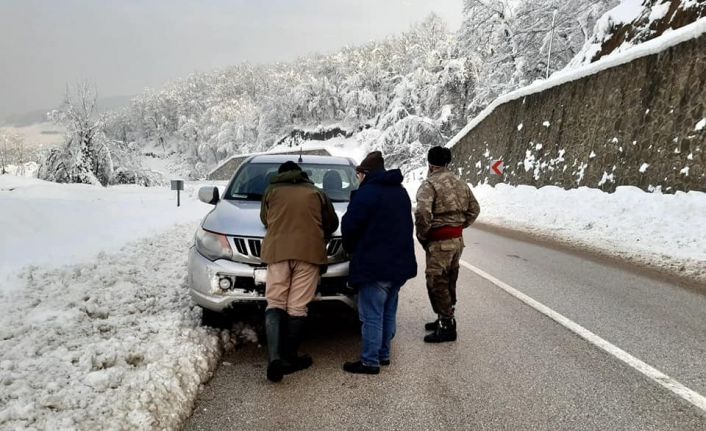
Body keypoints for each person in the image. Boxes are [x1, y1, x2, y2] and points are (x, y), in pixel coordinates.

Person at [260, 160, 339, 382]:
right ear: (301, 174)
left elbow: (265, 220)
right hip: (309, 253)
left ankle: (274, 358)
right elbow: (331, 224)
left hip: (277, 253)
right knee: (297, 306)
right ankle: (290, 358)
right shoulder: (316, 193)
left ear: (280, 174)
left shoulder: (271, 191)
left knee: (275, 301)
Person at [341, 151, 417, 374]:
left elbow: (350, 227)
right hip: (399, 265)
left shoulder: (366, 194)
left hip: (375, 265)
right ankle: (383, 354)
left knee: (371, 314)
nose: (358, 178)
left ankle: (369, 361)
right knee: (388, 312)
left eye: (359, 174)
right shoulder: (401, 192)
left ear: (365, 173)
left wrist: (351, 248)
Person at [415, 146, 480, 343]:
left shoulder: (429, 184)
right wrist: (458, 226)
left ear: (430, 164)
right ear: (447, 163)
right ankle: (444, 316)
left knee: (436, 281)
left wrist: (423, 235)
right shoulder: (461, 183)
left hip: (439, 240)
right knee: (450, 277)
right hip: (457, 240)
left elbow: (422, 213)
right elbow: (474, 209)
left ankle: (447, 325)